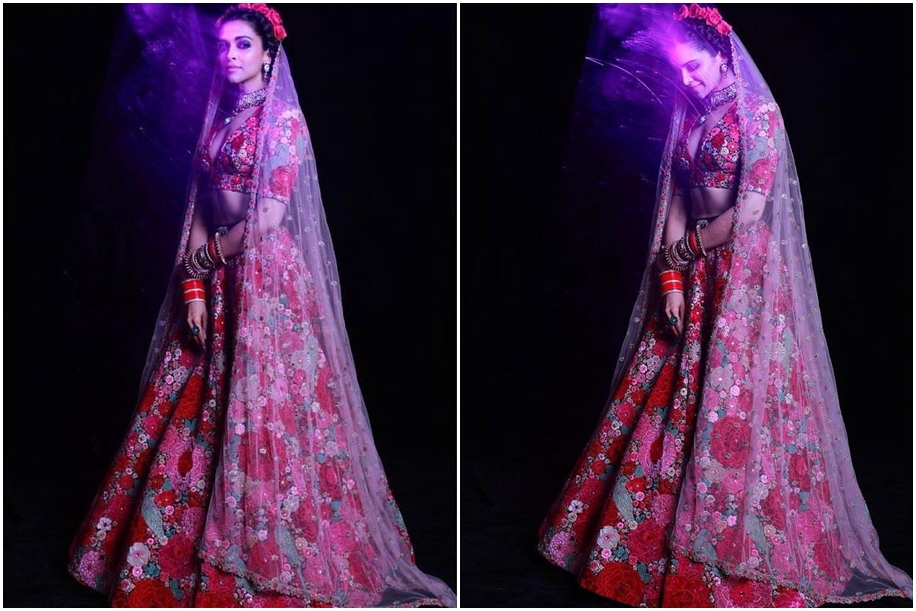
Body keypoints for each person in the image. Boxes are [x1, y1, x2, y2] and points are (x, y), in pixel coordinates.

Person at [66, 4, 456, 607]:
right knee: (197, 403)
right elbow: (202, 204)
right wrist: (192, 285)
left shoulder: (284, 121)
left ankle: (262, 557)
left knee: (264, 411)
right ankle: (169, 556)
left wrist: (204, 261)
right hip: (217, 276)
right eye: (223, 46)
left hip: (264, 283)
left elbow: (268, 219)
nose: (230, 56)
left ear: (268, 53)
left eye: (243, 45)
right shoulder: (220, 115)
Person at [536, 4, 912, 607]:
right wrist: (671, 278)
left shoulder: (757, 113)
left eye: (693, 67)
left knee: (732, 400)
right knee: (669, 391)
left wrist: (686, 251)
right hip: (694, 266)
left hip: (742, 275)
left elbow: (752, 212)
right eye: (678, 71)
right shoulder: (690, 111)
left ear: (721, 54)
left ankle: (733, 557)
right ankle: (640, 549)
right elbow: (677, 197)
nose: (686, 79)